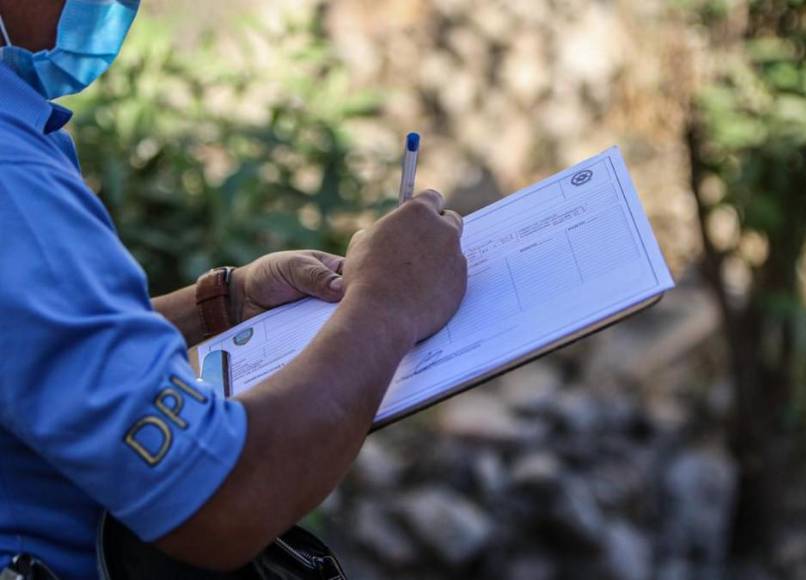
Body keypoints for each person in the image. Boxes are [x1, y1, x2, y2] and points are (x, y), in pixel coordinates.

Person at [0, 1, 467, 578]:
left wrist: (223, 302)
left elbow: (31, 349)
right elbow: (217, 500)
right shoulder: (11, 179)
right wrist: (388, 305)